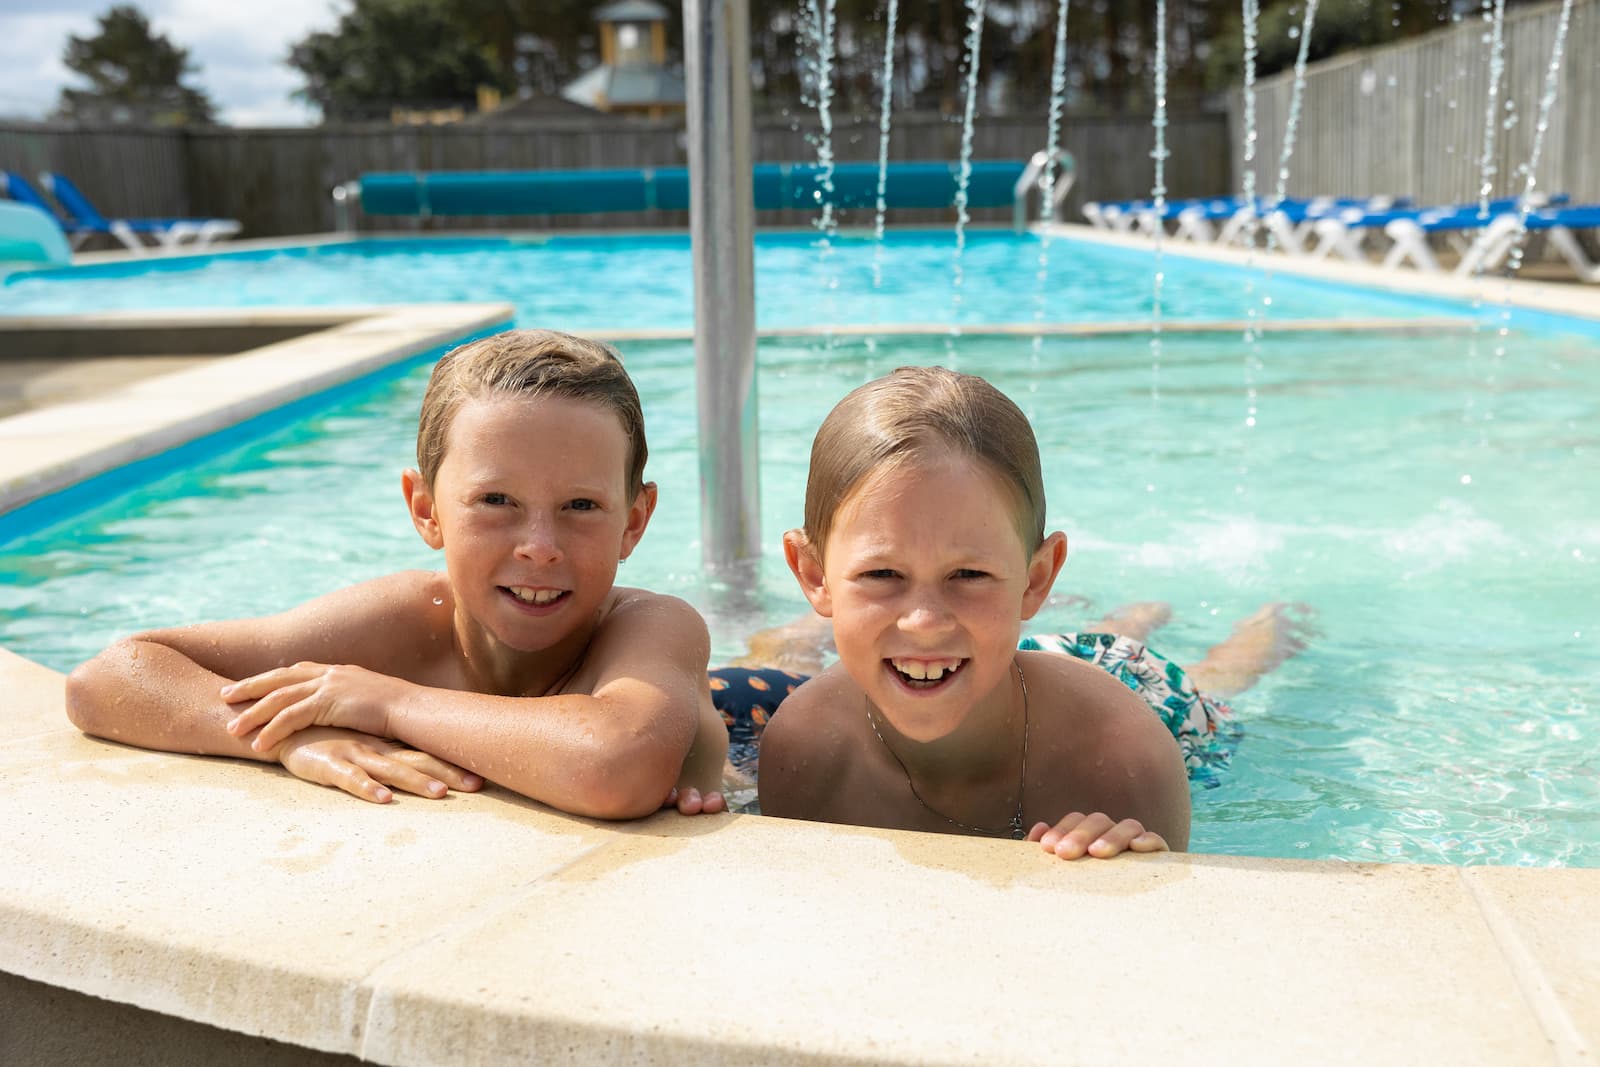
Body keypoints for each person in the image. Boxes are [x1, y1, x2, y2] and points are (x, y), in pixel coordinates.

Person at [65, 329, 728, 818]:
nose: (539, 546)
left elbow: (615, 765)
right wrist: (288, 735)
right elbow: (109, 675)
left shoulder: (652, 627)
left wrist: (390, 704)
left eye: (581, 506)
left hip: (741, 701)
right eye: (496, 501)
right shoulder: (405, 620)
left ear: (635, 521)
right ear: (425, 508)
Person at [748, 365, 1308, 859]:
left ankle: (1269, 625)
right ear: (814, 575)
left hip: (1134, 684)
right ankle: (1128, 613)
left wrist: (1134, 861)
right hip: (996, 658)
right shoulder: (806, 746)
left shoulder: (1120, 752)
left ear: (1037, 578)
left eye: (968, 575)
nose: (923, 620)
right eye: (881, 575)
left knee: (1220, 683)